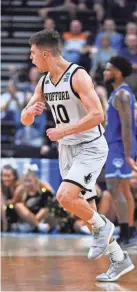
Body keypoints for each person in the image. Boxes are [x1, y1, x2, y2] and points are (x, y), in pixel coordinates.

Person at [21, 29, 134, 281]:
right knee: (85, 216)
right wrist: (32, 112)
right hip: (67, 149)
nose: (31, 58)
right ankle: (119, 259)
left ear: (46, 53)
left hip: (90, 145)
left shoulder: (78, 75)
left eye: (33, 53)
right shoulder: (44, 82)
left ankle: (104, 225)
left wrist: (64, 130)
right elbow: (24, 118)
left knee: (64, 196)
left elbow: (98, 115)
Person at [104, 56, 137, 246]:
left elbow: (126, 127)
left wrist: (127, 155)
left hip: (119, 146)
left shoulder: (122, 95)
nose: (105, 73)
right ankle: (130, 231)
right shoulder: (118, 93)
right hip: (117, 145)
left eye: (108, 69)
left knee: (113, 188)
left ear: (118, 72)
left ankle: (125, 233)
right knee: (123, 189)